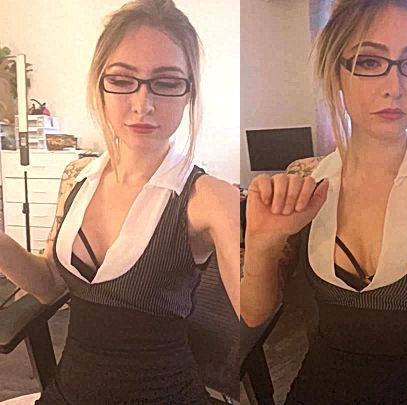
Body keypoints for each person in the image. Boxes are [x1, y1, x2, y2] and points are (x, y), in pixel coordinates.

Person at [0, 1, 241, 403]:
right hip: (66, 393)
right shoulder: (80, 178)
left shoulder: (211, 198)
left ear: (189, 93)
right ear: (100, 84)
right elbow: (50, 286)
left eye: (167, 82)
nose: (142, 104)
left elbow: (250, 315)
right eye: (122, 79)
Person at [243, 0, 407, 403]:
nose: (395, 87)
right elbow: (254, 315)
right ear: (336, 72)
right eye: (370, 62)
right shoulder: (305, 179)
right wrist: (262, 244)